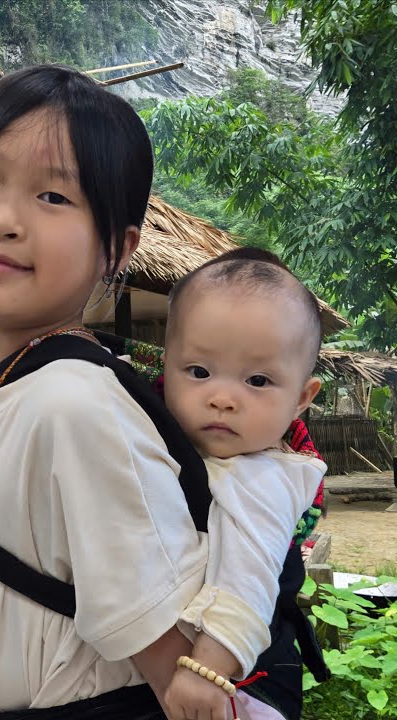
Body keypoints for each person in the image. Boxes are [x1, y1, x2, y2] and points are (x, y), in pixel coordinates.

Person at [0, 64, 305, 720]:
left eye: (54, 198)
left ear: (118, 248)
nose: (4, 219)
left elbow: (181, 688)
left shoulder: (75, 404)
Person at [160, 248, 326, 720]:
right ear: (165, 366)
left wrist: (207, 668)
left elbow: (248, 576)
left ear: (301, 398)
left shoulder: (268, 475)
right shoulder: (160, 435)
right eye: (198, 372)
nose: (222, 398)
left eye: (257, 380)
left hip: (243, 681)